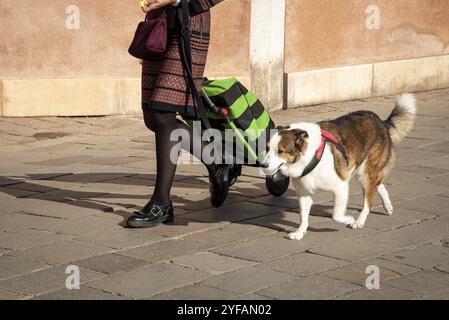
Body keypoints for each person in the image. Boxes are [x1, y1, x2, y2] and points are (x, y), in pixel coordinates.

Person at [126, 0, 227, 229]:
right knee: (153, 118)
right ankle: (216, 160)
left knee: (164, 113)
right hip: (158, 23)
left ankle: (161, 203)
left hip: (187, 24)